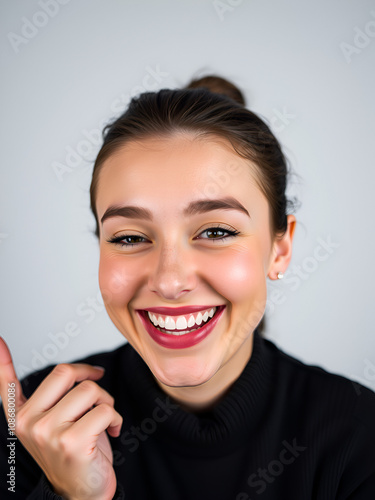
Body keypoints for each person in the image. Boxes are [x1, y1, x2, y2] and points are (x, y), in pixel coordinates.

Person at [0, 74, 374, 500]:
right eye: (129, 237)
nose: (169, 281)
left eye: (215, 231)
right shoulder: (27, 424)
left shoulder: (360, 435)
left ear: (279, 249)